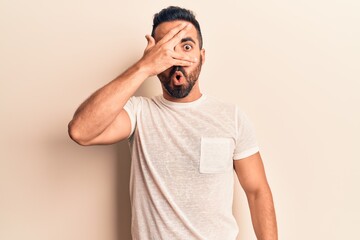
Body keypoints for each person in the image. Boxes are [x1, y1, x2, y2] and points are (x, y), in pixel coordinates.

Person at [68, 6, 278, 240]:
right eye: (166, 50)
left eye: (186, 47)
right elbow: (80, 131)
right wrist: (143, 66)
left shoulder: (232, 117)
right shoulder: (138, 113)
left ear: (202, 56)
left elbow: (257, 192)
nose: (176, 59)